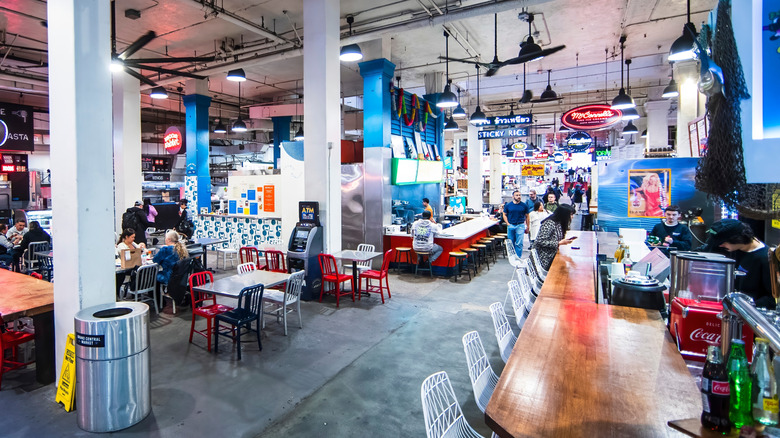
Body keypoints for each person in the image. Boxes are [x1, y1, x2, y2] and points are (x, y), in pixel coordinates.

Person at [705, 219, 774, 309]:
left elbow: (771, 300)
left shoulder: (764, 259)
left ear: (737, 239)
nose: (720, 246)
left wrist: (746, 307)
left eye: (722, 243)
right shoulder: (734, 249)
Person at [533, 204, 576, 271]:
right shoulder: (549, 223)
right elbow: (540, 241)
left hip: (552, 255)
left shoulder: (559, 223)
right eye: (571, 215)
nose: (572, 217)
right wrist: (558, 243)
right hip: (544, 258)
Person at [503, 190, 530, 257]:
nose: (519, 197)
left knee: (519, 243)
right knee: (511, 242)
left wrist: (528, 227)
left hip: (520, 225)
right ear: (513, 197)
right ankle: (512, 256)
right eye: (517, 195)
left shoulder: (524, 206)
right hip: (511, 225)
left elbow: (527, 216)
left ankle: (518, 257)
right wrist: (508, 223)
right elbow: (504, 214)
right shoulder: (508, 205)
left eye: (519, 195)